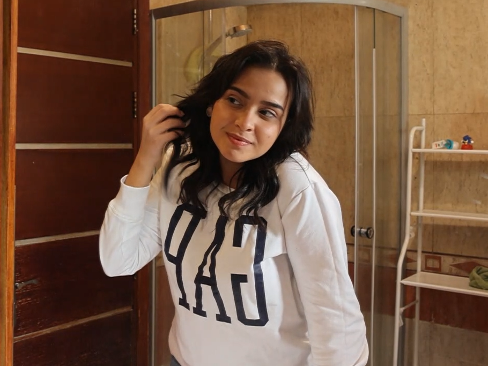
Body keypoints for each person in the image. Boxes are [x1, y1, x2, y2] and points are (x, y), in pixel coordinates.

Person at [100, 40, 368, 365]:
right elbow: (118, 261)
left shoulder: (297, 187)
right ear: (212, 103)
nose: (245, 122)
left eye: (267, 112)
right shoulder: (182, 164)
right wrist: (146, 157)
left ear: (284, 126)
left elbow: (336, 319)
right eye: (235, 101)